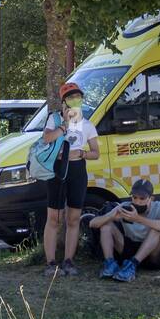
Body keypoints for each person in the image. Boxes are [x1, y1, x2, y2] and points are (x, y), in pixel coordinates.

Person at [42, 81, 99, 277]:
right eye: (71, 97)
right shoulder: (54, 119)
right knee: (54, 218)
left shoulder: (88, 125)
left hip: (77, 170)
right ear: (64, 101)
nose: (75, 100)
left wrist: (82, 155)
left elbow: (96, 153)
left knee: (73, 218)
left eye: (78, 97)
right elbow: (46, 139)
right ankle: (50, 263)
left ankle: (69, 260)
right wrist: (65, 125)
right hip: (57, 170)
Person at [89, 178, 160, 282]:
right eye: (134, 197)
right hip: (129, 252)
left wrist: (138, 219)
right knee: (106, 225)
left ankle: (133, 265)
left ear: (151, 198)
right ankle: (110, 264)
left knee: (157, 229)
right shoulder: (125, 207)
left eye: (142, 198)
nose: (137, 202)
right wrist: (110, 216)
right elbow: (92, 223)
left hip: (155, 256)